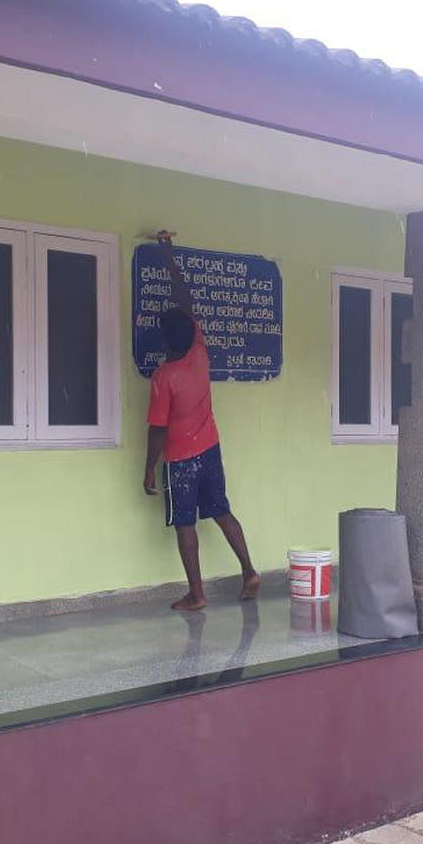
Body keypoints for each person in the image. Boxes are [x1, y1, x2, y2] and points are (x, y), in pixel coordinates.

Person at [143, 232, 261, 611]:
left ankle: (197, 594)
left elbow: (157, 429)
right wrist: (168, 254)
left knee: (186, 524)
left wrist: (148, 467)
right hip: (210, 449)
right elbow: (184, 297)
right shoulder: (199, 349)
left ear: (164, 339)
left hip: (180, 460)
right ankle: (249, 571)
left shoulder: (164, 377)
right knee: (222, 511)